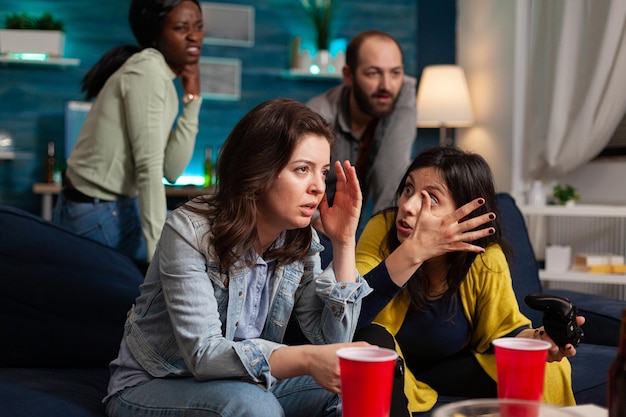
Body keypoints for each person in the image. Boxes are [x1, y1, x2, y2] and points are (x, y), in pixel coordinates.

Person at [103, 98, 373, 417]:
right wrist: (307, 360)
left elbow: (332, 341)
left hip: (240, 381)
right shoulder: (189, 230)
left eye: (323, 172)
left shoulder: (298, 239)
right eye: (302, 169)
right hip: (154, 383)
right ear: (259, 170)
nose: (318, 187)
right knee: (253, 405)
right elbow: (203, 355)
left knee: (352, 386)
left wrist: (343, 243)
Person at [354, 146, 584, 416]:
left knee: (545, 364)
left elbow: (505, 330)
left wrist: (541, 340)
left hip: (450, 368)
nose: (407, 205)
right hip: (396, 368)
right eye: (408, 189)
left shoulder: (484, 256)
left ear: (465, 214)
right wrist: (413, 251)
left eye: (430, 199)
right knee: (371, 340)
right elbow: (352, 306)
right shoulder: (383, 228)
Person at [52, 0, 204, 265]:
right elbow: (149, 168)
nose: (194, 36)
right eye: (181, 28)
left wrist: (192, 98)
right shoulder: (147, 73)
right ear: (155, 34)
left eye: (199, 26)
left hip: (112, 206)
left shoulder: (159, 76)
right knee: (189, 258)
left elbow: (172, 170)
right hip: (97, 212)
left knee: (194, 247)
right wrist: (160, 265)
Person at [307, 30, 417, 217]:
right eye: (373, 73)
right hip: (305, 226)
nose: (387, 86)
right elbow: (289, 187)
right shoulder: (318, 116)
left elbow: (390, 184)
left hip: (350, 228)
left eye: (395, 73)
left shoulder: (401, 93)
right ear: (348, 76)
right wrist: (317, 220)